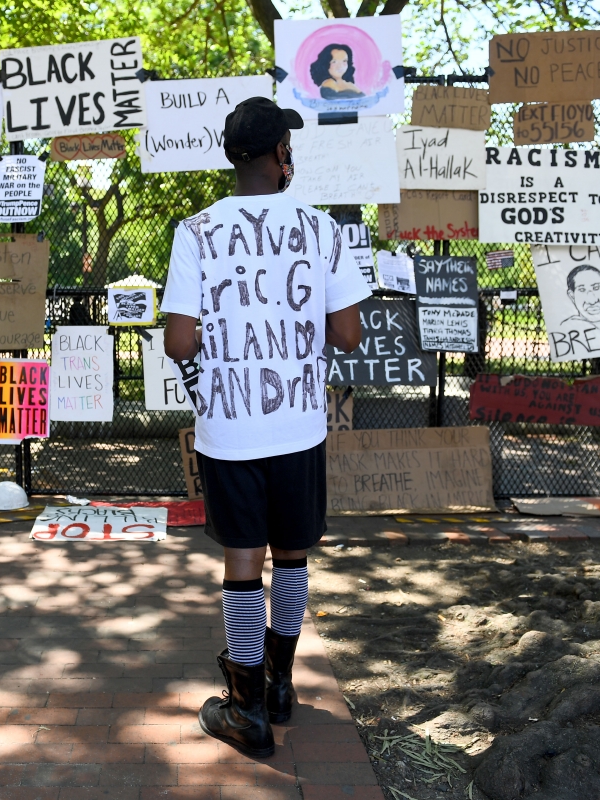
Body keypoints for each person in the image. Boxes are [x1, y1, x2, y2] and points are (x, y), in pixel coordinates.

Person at [161, 97, 370, 758]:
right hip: (300, 425)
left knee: (243, 560)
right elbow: (347, 333)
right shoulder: (321, 230)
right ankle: (282, 683)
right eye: (289, 146)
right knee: (294, 553)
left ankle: (247, 708)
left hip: (230, 426)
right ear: (282, 152)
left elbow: (178, 341)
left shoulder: (194, 232)